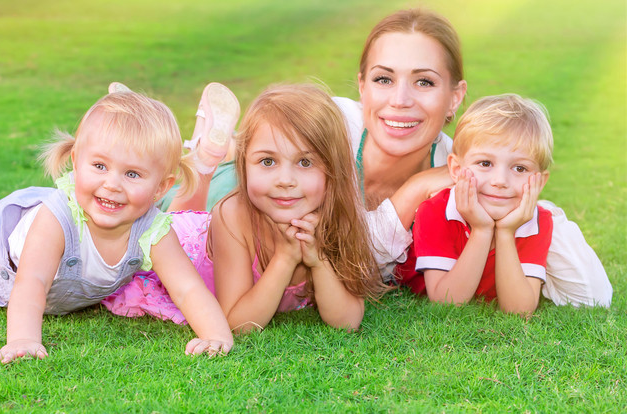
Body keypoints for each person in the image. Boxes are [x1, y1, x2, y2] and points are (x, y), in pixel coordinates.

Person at [166, 8, 611, 307]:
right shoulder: (335, 124)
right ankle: (204, 158)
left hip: (288, 256)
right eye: (383, 79)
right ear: (361, 85)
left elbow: (595, 295)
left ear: (455, 96)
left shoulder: (472, 172)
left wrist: (533, 209)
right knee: (172, 216)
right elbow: (353, 253)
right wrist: (416, 188)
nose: (400, 101)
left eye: (423, 83)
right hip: (242, 195)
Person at [0, 84, 234, 364]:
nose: (112, 184)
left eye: (132, 174)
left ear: (162, 187)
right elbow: (32, 281)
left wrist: (216, 335)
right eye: (99, 166)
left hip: (51, 279)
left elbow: (188, 289)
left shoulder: (153, 230)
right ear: (76, 162)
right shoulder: (58, 218)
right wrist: (23, 340)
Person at [104, 84, 389, 333]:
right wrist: (285, 259)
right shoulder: (233, 215)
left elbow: (347, 322)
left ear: (333, 169)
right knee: (145, 220)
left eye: (305, 162)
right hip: (181, 251)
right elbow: (237, 323)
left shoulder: (336, 217)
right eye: (267, 161)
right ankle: (141, 127)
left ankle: (201, 156)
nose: (285, 181)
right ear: (243, 165)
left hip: (201, 233)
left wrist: (318, 261)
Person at [395, 94, 553, 315]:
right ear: (457, 169)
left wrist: (506, 233)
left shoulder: (537, 221)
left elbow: (519, 311)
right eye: (485, 163)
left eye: (519, 168)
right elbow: (447, 302)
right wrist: (482, 229)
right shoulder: (434, 210)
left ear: (540, 181)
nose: (500, 181)